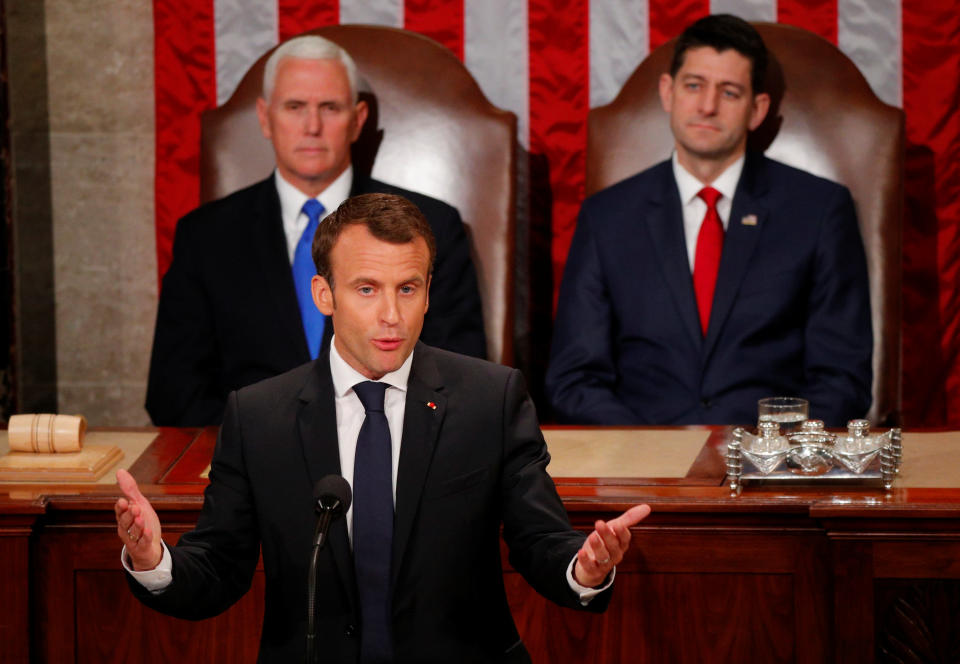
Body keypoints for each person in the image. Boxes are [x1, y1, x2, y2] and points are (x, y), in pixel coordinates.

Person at [117, 193, 650, 662]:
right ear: (324, 295)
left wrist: (585, 568)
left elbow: (541, 540)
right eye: (367, 289)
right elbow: (218, 568)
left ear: (428, 292)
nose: (392, 314)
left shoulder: (491, 399)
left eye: (408, 288)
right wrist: (153, 560)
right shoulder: (260, 415)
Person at [546, 14, 872, 427]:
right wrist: (649, 453)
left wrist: (765, 452)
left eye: (729, 92)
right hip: (644, 472)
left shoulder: (819, 210)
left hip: (768, 471)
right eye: (694, 86)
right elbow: (573, 379)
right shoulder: (607, 216)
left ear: (757, 110)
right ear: (668, 92)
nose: (707, 106)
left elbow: (842, 380)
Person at [146, 35, 486, 427]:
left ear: (357, 120)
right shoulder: (206, 237)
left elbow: (459, 377)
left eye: (329, 107)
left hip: (390, 446)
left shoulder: (432, 225)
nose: (312, 126)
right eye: (295, 107)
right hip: (254, 458)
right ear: (265, 118)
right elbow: (173, 395)